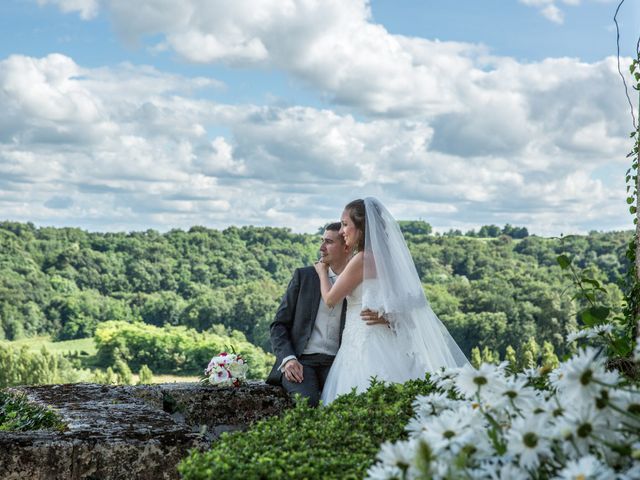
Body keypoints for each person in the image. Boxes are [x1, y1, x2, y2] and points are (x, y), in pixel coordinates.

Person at [315, 198, 469, 404]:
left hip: (363, 347)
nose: (342, 231)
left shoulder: (361, 259)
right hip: (389, 343)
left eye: (345, 224)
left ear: (360, 227)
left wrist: (322, 272)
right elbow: (407, 305)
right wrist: (389, 318)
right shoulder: (388, 260)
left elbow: (330, 299)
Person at [266, 222, 387, 406]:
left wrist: (385, 318)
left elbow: (398, 305)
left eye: (328, 242)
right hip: (302, 361)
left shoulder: (362, 280)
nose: (321, 248)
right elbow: (279, 325)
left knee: (353, 402)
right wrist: (288, 359)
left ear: (346, 246)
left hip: (340, 361)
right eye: (322, 241)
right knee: (308, 403)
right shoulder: (304, 276)